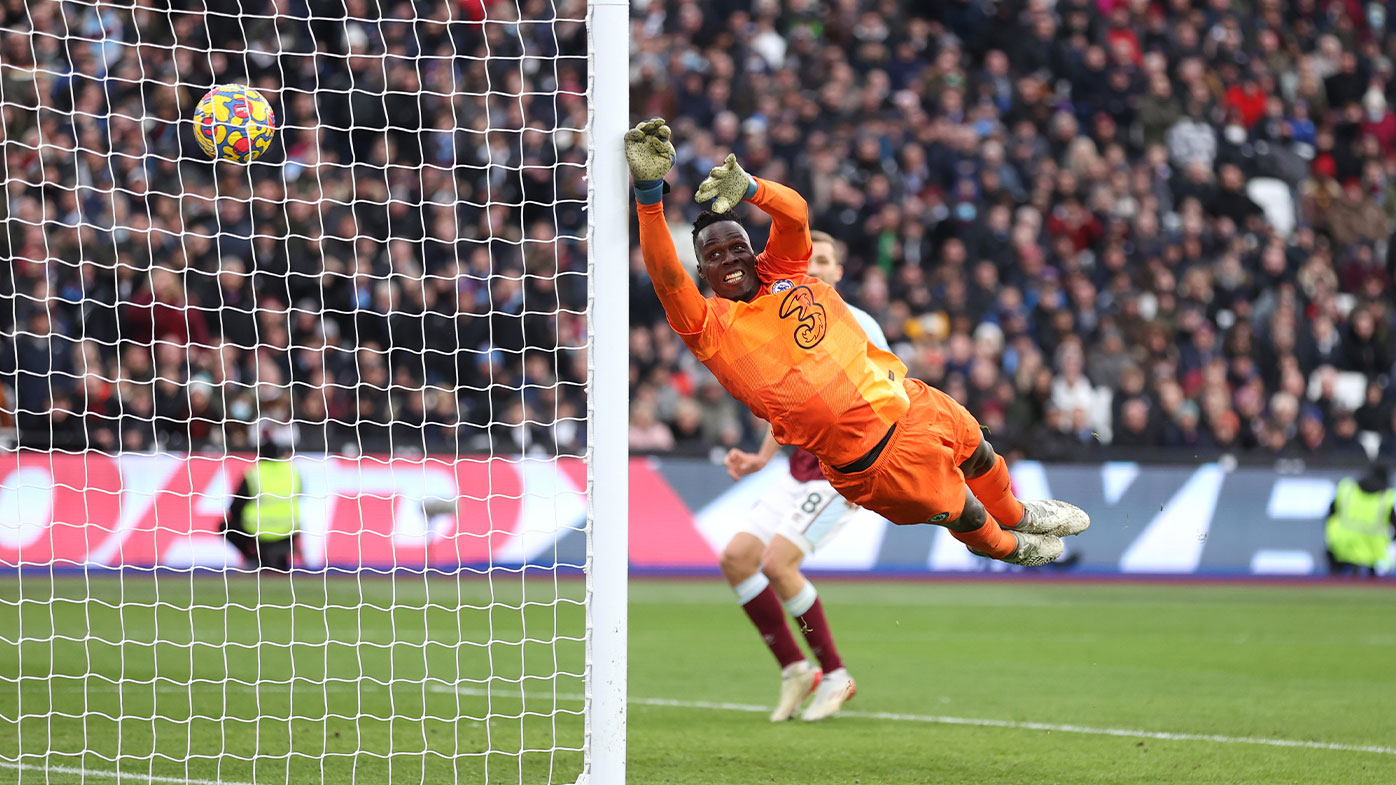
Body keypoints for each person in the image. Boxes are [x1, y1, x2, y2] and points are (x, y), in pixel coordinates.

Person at [628, 114, 1090, 684]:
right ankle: (1008, 546)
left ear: (751, 251)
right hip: (874, 462)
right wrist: (649, 197)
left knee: (981, 456)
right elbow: (663, 271)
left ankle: (1020, 513)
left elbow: (795, 214)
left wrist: (751, 190)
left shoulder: (789, 271)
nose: (729, 260)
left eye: (736, 247)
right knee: (967, 515)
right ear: (702, 268)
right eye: (715, 256)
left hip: (915, 402)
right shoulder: (708, 327)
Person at [719, 230, 885, 722]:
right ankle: (795, 668)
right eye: (809, 262)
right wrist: (760, 457)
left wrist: (872, 467)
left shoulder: (859, 324)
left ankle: (834, 673)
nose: (814, 271)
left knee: (777, 563)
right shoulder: (785, 323)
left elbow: (891, 394)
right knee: (736, 560)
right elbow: (789, 406)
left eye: (825, 262)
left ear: (838, 273)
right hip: (796, 472)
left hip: (840, 474)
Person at [221, 436, 303, 571]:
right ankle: (279, 557)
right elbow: (301, 495)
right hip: (290, 529)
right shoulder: (292, 471)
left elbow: (236, 505)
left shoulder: (255, 473)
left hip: (258, 530)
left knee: (225, 526)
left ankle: (252, 558)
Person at [1324, 462, 1396, 578]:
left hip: (1344, 543)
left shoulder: (1347, 489)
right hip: (1373, 547)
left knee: (1336, 574)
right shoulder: (1386, 498)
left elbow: (1331, 512)